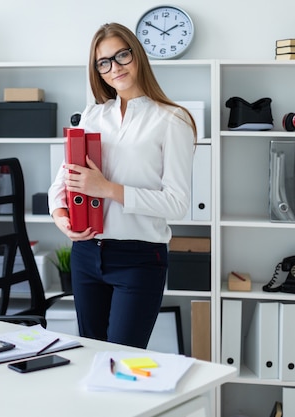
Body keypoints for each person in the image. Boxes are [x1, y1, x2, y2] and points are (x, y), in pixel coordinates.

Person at [48, 22, 196, 349]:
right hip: (86, 255)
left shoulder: (173, 120)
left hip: (139, 259)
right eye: (104, 62)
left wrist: (108, 189)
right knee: (91, 356)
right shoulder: (92, 115)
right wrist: (61, 218)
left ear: (137, 55)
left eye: (122, 56)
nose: (115, 68)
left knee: (122, 361)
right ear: (98, 71)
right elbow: (60, 184)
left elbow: (177, 204)